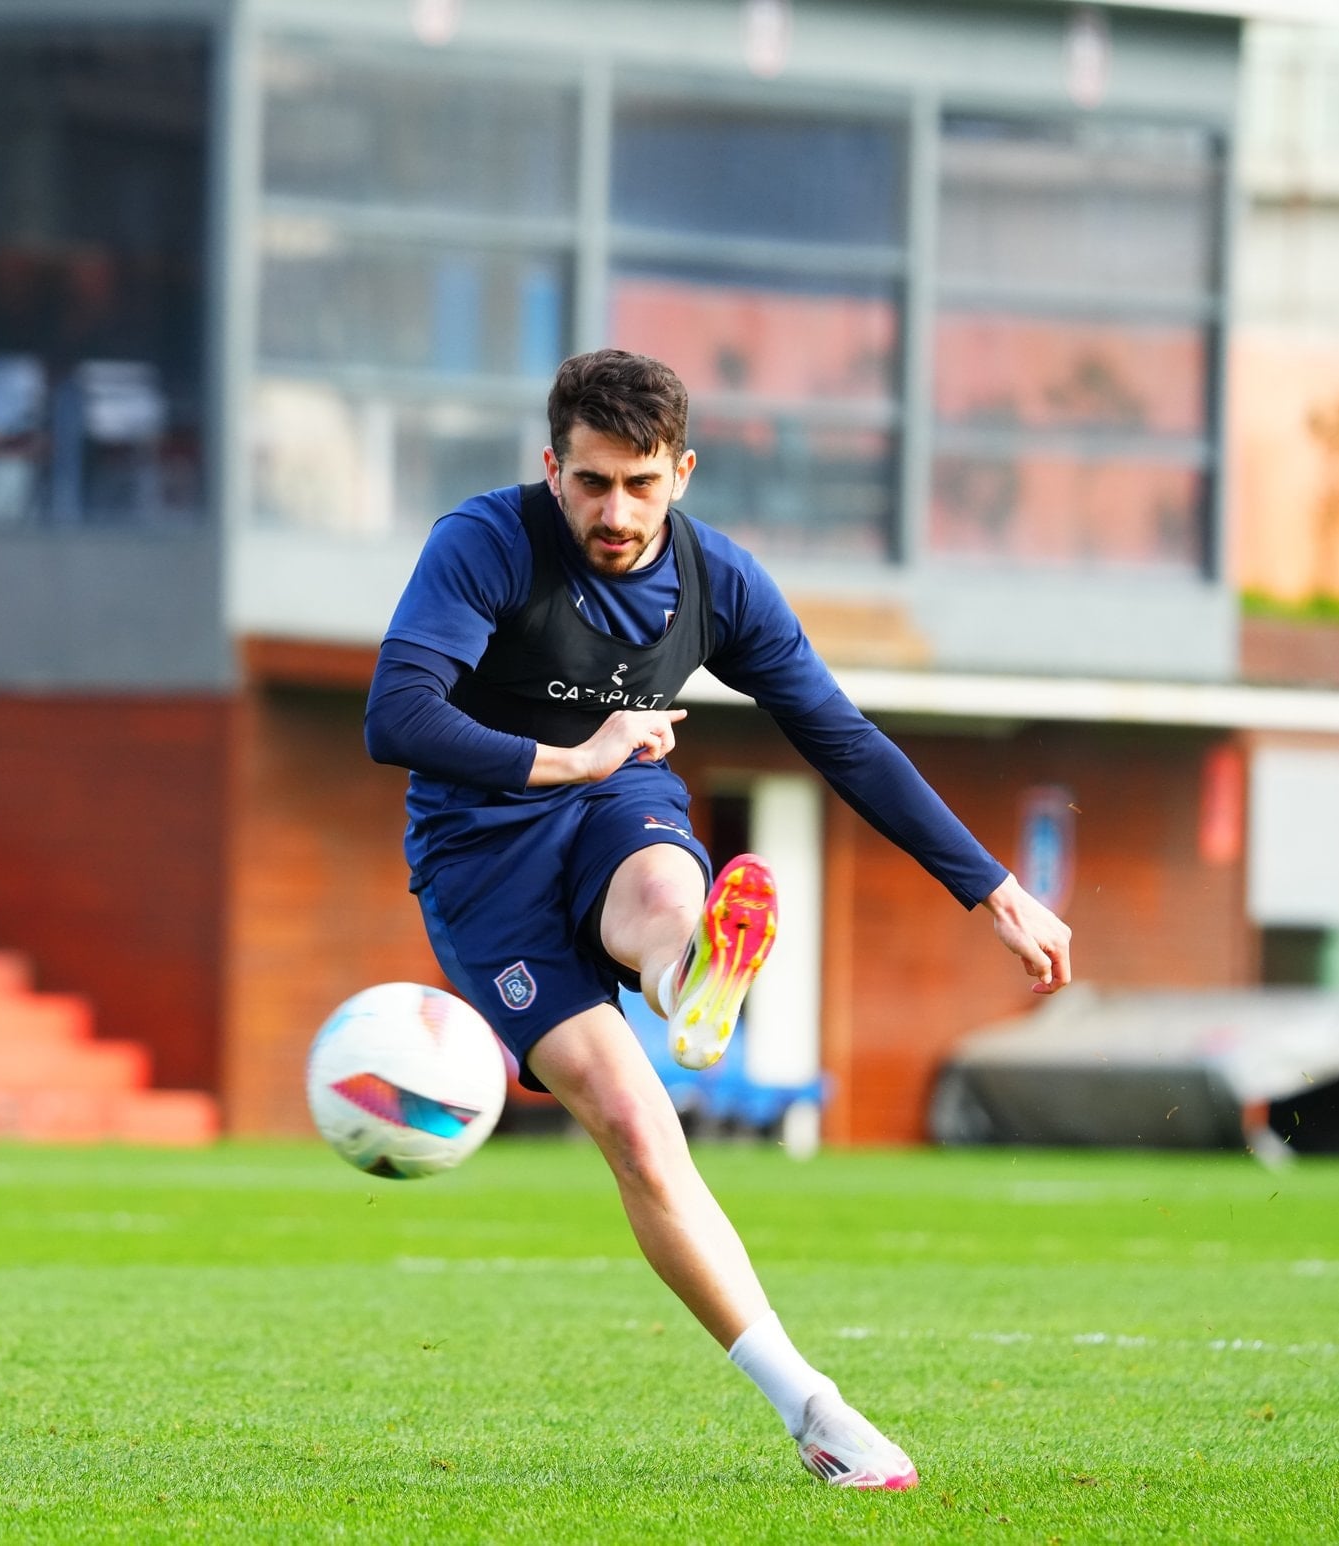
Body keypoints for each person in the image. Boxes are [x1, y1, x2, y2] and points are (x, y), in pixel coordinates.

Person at [363, 348, 1073, 1490]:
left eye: (639, 483)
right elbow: (393, 715)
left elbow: (840, 735)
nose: (614, 510)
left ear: (681, 471)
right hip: (477, 857)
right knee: (640, 1130)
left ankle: (685, 976)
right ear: (551, 467)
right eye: (590, 482)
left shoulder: (715, 584)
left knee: (658, 891)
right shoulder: (484, 543)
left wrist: (991, 886)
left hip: (614, 804)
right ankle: (814, 1406)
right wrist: (571, 752)